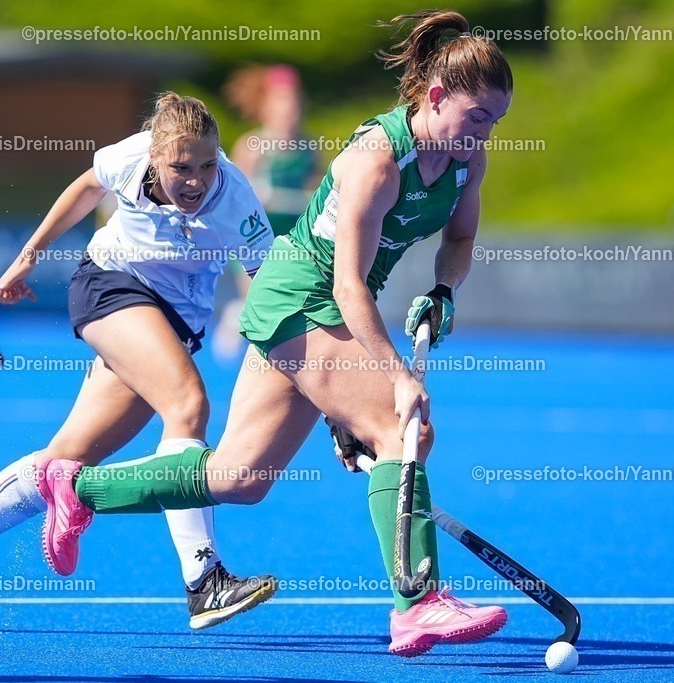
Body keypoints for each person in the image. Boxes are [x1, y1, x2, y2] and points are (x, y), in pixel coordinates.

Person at [36, 10, 514, 657]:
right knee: (401, 429)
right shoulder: (377, 160)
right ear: (435, 97)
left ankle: (78, 487)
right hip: (302, 296)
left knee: (241, 477)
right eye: (478, 116)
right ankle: (417, 603)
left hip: (323, 307)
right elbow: (346, 288)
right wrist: (394, 378)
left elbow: (459, 239)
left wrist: (443, 291)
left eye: (495, 121)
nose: (485, 133)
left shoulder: (466, 159)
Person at [0, 93, 278, 630]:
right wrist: (28, 257)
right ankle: (203, 580)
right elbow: (87, 186)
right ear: (155, 156)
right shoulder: (130, 156)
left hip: (177, 321)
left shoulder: (236, 200)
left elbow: (268, 289)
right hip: (110, 286)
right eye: (181, 168)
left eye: (207, 166)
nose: (196, 181)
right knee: (188, 406)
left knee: (65, 459)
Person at [212, 64, 318, 362]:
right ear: (266, 107)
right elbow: (231, 195)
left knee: (287, 309)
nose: (289, 110)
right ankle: (239, 318)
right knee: (259, 301)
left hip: (292, 241)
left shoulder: (309, 148)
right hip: (254, 238)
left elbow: (316, 193)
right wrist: (257, 195)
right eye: (282, 102)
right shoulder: (252, 146)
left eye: (294, 102)